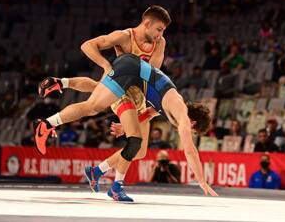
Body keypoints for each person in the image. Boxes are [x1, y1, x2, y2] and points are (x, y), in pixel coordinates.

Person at [34, 54, 218, 200]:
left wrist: (125, 125)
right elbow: (190, 150)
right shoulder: (182, 114)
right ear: (193, 123)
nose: (189, 133)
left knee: (138, 148)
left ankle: (97, 171)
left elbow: (149, 113)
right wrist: (201, 180)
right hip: (132, 69)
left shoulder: (173, 105)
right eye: (193, 131)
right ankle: (47, 123)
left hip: (133, 73)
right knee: (95, 108)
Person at [37, 6, 171, 201]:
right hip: (122, 90)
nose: (160, 35)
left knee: (139, 151)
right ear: (147, 23)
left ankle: (96, 171)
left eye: (163, 31)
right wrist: (106, 65)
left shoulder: (160, 43)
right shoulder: (125, 36)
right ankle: (116, 185)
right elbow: (87, 46)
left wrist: (146, 109)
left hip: (138, 95)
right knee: (111, 121)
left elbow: (153, 74)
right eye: (159, 29)